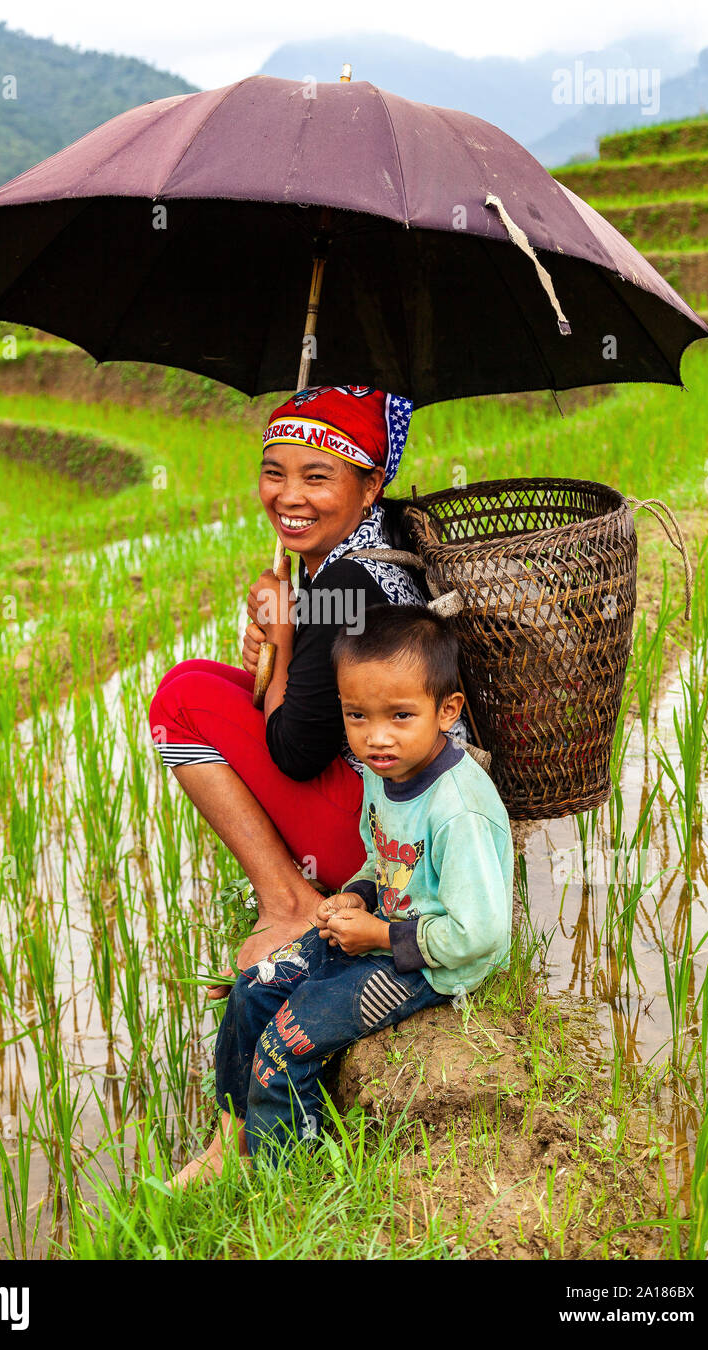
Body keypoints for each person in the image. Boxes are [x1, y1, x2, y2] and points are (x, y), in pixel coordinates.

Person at [171, 604, 513, 1184]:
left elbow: (479, 934)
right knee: (255, 988)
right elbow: (381, 854)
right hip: (385, 924)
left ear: (446, 710)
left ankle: (282, 1178)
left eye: (401, 716)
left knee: (289, 1037)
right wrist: (356, 894)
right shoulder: (388, 771)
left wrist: (378, 934)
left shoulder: (459, 809)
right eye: (357, 715)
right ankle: (230, 1139)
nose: (377, 738)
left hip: (434, 965)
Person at [149, 385, 473, 996]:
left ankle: (288, 902)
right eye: (274, 473)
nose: (288, 496)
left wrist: (287, 640)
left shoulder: (346, 579)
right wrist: (282, 642)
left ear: (370, 485)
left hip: (375, 833)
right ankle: (291, 892)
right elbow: (322, 692)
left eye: (317, 477)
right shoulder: (365, 547)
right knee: (202, 678)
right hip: (400, 801)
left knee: (178, 701)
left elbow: (294, 752)